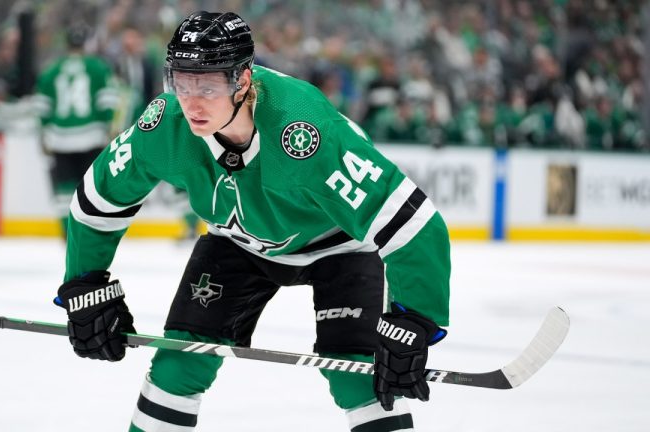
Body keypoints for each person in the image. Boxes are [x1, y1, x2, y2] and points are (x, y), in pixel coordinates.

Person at [55, 11, 450, 432]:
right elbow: (98, 197)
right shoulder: (165, 125)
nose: (191, 100)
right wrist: (86, 282)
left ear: (242, 81)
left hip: (340, 245)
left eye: (208, 84)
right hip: (238, 242)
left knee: (355, 378)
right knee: (177, 365)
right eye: (182, 81)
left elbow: (414, 224)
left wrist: (413, 320)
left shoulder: (304, 132)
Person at [32, 22, 119, 235]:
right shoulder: (98, 67)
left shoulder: (51, 70)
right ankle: (88, 232)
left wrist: (44, 134)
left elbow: (41, 108)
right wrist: (109, 127)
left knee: (63, 189)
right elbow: (107, 102)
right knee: (90, 188)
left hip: (59, 138)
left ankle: (66, 232)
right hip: (91, 136)